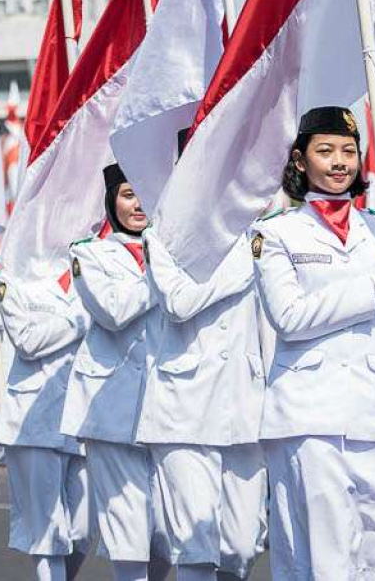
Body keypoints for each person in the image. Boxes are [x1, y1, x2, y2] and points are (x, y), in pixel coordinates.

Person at [253, 106, 375, 580]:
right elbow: (290, 317)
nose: (339, 162)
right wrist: (373, 289)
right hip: (309, 414)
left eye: (348, 151)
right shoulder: (275, 232)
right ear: (300, 160)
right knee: (323, 556)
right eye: (325, 151)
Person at [138, 213, 269, 581]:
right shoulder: (161, 235)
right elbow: (178, 302)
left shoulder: (261, 235)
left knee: (241, 549)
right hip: (184, 407)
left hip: (244, 406)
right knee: (195, 548)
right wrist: (238, 272)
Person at [61, 164, 169, 581]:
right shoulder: (88, 252)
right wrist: (165, 276)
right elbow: (114, 311)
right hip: (112, 407)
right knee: (128, 529)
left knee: (167, 527)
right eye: (128, 194)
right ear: (111, 201)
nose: (138, 202)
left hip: (170, 401)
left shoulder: (174, 250)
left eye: (146, 191)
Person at [0, 255, 92, 581]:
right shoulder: (16, 277)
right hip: (33, 418)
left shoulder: (95, 268)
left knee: (82, 529)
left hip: (83, 416)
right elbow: (27, 341)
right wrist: (83, 318)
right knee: (49, 532)